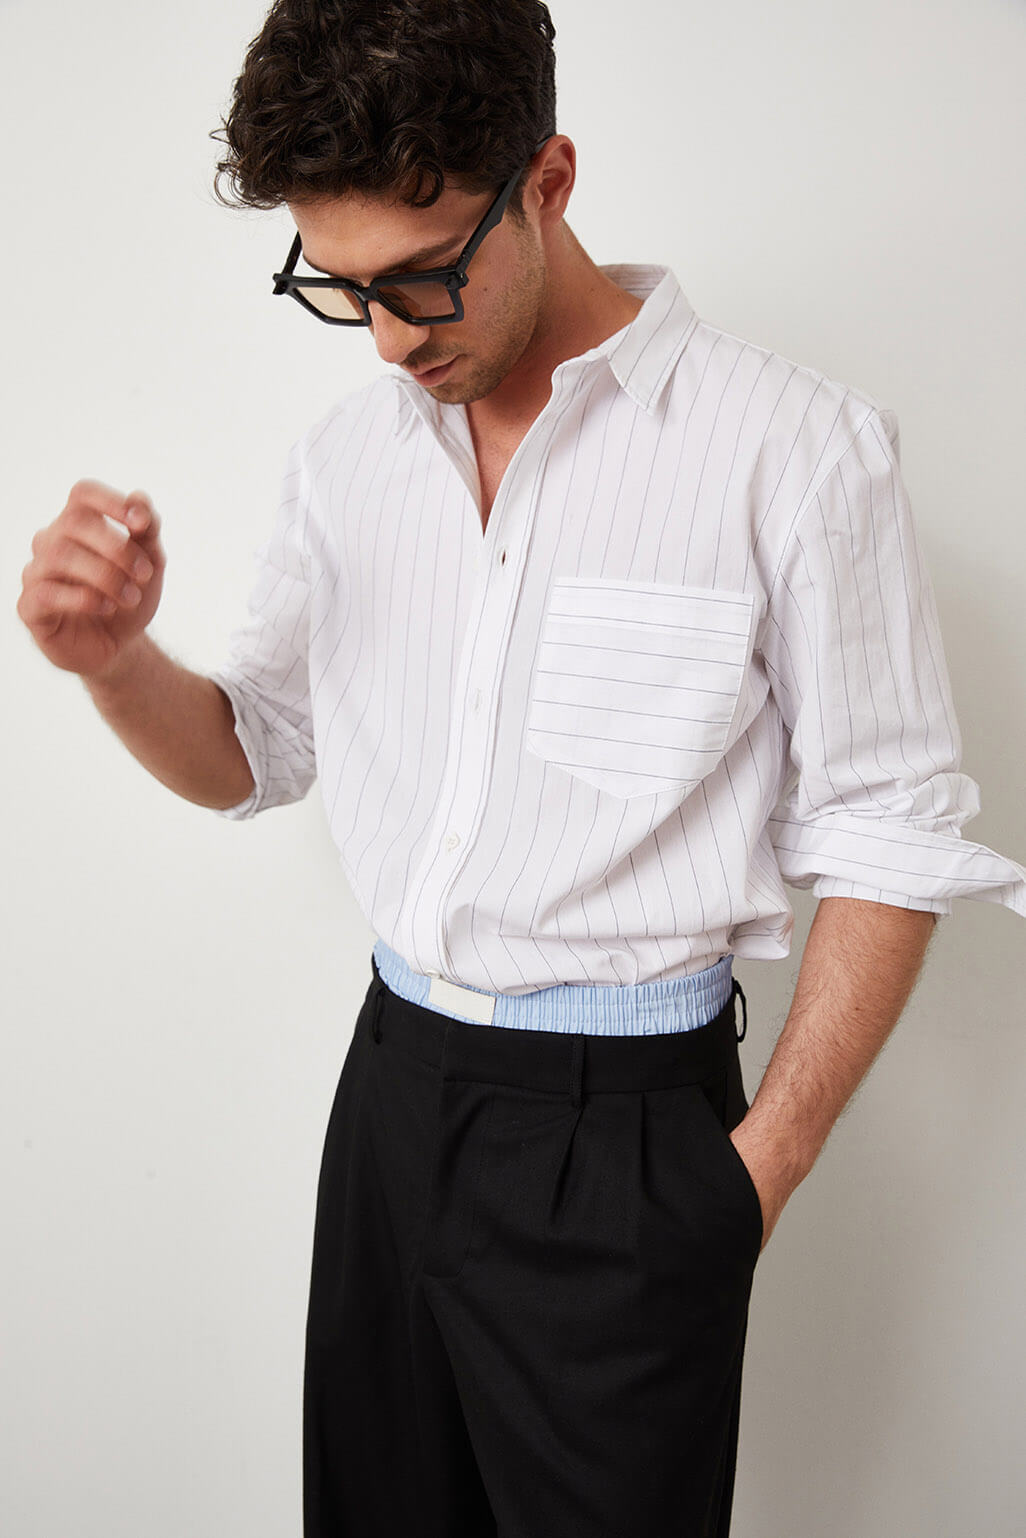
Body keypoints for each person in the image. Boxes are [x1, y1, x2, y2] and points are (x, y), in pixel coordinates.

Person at [17, 2, 1026, 1534]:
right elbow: (251, 756)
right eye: (341, 289)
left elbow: (887, 829)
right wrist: (115, 662)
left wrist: (750, 1175)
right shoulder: (347, 461)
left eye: (424, 276)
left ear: (545, 181)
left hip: (625, 1137)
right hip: (390, 1096)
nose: (390, 337)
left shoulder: (794, 451)